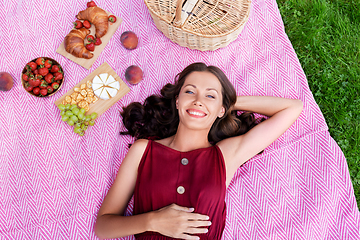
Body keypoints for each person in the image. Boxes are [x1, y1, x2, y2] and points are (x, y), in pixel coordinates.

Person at [95, 62, 303, 240]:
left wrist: (228, 102)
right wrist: (153, 220)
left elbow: (292, 108)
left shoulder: (225, 155)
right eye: (189, 91)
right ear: (177, 101)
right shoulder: (144, 151)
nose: (198, 100)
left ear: (222, 110)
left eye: (210, 96)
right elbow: (103, 227)